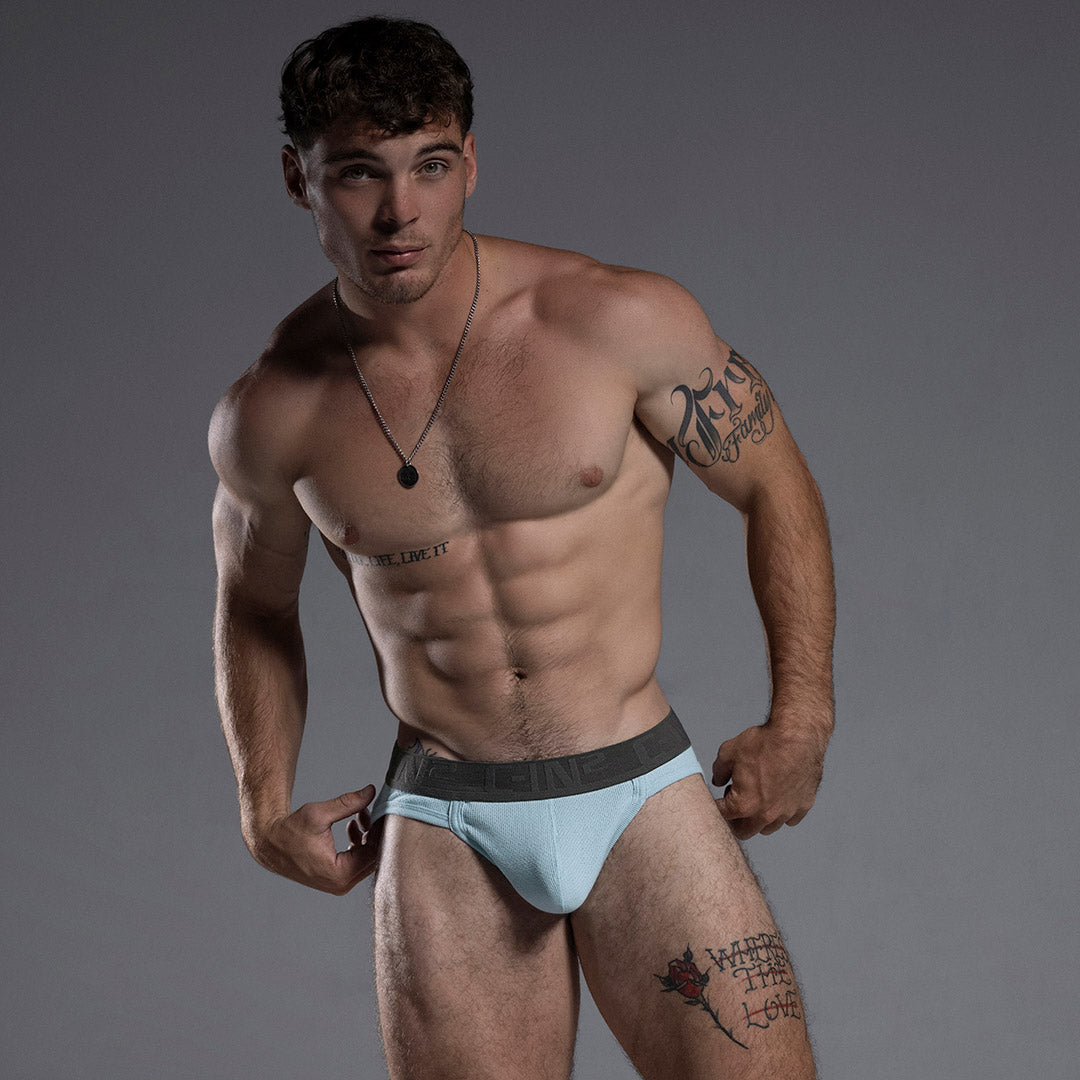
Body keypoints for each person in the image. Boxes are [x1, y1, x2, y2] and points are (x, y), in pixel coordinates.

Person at [210, 16, 834, 1080]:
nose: (400, 211)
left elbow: (775, 482)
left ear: (470, 162)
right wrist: (261, 808)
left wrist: (803, 716)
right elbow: (255, 605)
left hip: (638, 788)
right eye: (359, 173)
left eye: (430, 165)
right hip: (449, 815)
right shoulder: (272, 410)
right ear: (296, 177)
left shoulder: (614, 320)